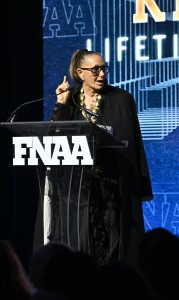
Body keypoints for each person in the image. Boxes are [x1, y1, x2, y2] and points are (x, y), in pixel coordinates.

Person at [43, 48, 153, 266]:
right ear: (79, 72)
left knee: (112, 247)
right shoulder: (71, 100)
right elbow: (54, 141)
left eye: (104, 68)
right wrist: (61, 105)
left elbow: (132, 145)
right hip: (78, 190)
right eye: (95, 70)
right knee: (81, 248)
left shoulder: (121, 99)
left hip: (112, 186)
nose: (102, 74)